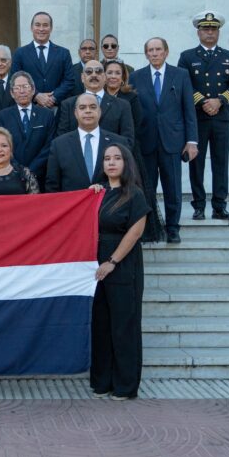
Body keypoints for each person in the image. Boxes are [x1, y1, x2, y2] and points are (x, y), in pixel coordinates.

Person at [90, 142, 149, 401]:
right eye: (106, 159)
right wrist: (88, 196)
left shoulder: (134, 194)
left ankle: (125, 386)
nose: (111, 163)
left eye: (117, 158)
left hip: (122, 265)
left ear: (126, 163)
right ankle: (102, 381)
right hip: (96, 267)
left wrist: (112, 262)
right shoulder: (98, 193)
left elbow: (135, 232)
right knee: (101, 325)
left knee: (123, 326)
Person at [129, 38, 198, 244]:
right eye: (150, 50)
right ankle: (149, 228)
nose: (154, 53)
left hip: (172, 142)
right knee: (146, 188)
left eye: (158, 49)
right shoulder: (136, 77)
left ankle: (173, 228)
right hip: (146, 142)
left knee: (173, 188)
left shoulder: (181, 75)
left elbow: (189, 110)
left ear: (166, 52)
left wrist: (192, 141)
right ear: (146, 54)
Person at [177, 12, 229, 221]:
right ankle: (198, 205)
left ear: (218, 32)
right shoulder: (187, 56)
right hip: (197, 117)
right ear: (198, 32)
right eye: (205, 28)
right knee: (197, 163)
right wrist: (203, 102)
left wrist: (219, 101)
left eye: (213, 29)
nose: (209, 32)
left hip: (221, 117)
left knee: (220, 162)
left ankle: (219, 206)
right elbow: (183, 84)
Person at [105, 59, 165, 243]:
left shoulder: (131, 97)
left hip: (128, 151)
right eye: (110, 72)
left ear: (123, 77)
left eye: (117, 73)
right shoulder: (96, 98)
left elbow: (136, 124)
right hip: (104, 153)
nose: (113, 76)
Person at [45, 94, 125, 191]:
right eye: (82, 108)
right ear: (75, 113)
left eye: (93, 107)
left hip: (109, 203)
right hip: (74, 204)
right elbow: (52, 186)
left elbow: (126, 179)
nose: (88, 111)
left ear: (99, 112)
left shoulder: (118, 142)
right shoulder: (59, 145)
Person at [0, 71, 56, 188]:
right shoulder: (2, 116)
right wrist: (19, 170)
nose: (22, 91)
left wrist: (31, 170)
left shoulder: (47, 115)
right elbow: (2, 145)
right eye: (17, 88)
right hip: (12, 176)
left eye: (25, 87)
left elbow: (49, 145)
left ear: (33, 90)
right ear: (12, 93)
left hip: (41, 176)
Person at [57, 59, 135, 143]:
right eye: (89, 72)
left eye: (98, 71)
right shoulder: (68, 105)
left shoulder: (122, 106)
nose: (94, 75)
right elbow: (61, 140)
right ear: (82, 77)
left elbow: (127, 140)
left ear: (105, 77)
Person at [11, 11, 74, 109]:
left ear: (51, 28)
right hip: (30, 107)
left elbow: (69, 80)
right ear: (31, 28)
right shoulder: (20, 53)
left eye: (45, 25)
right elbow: (14, 79)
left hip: (58, 108)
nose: (41, 29)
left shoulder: (63, 53)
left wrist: (53, 97)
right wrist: (36, 95)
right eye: (37, 25)